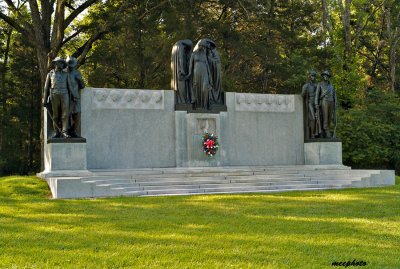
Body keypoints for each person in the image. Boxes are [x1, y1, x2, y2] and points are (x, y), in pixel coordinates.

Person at [42, 57, 71, 138]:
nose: (61, 64)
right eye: (60, 63)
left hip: (65, 94)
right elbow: (46, 88)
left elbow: (70, 87)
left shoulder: (66, 74)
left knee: (65, 114)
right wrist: (44, 100)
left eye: (62, 63)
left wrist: (73, 97)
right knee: (55, 115)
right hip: (54, 95)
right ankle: (56, 131)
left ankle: (65, 131)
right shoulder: (50, 74)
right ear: (55, 64)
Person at [186, 39, 213, 109]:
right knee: (197, 88)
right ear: (199, 46)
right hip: (196, 72)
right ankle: (197, 106)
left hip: (204, 72)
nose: (204, 48)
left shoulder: (204, 55)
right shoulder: (194, 54)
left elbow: (207, 64)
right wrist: (189, 73)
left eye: (204, 47)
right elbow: (190, 65)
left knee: (205, 89)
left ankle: (205, 105)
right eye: (203, 46)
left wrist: (210, 77)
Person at [66, 56, 85, 138]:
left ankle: (73, 131)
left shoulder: (77, 73)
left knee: (77, 114)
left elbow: (82, 86)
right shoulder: (64, 72)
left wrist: (79, 80)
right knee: (66, 115)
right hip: (66, 97)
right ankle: (65, 131)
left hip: (76, 97)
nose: (70, 66)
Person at [315, 70, 337, 138]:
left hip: (331, 102)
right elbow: (317, 95)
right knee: (325, 116)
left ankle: (327, 129)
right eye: (325, 75)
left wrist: (336, 103)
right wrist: (316, 103)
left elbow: (334, 95)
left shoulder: (331, 86)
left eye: (327, 76)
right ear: (323, 76)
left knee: (329, 117)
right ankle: (326, 129)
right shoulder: (320, 84)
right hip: (324, 101)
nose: (326, 77)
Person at [171, 40, 192, 104]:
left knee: (180, 85)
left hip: (177, 72)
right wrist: (183, 70)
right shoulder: (181, 47)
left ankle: (182, 100)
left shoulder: (175, 47)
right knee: (183, 85)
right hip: (181, 72)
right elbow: (181, 59)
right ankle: (184, 101)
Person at [301, 70, 321, 139]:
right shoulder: (306, 86)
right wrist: (305, 91)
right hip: (309, 103)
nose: (313, 77)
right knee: (312, 118)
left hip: (316, 103)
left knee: (318, 118)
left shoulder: (317, 86)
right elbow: (302, 95)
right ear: (309, 76)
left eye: (314, 76)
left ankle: (318, 133)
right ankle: (312, 134)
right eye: (312, 76)